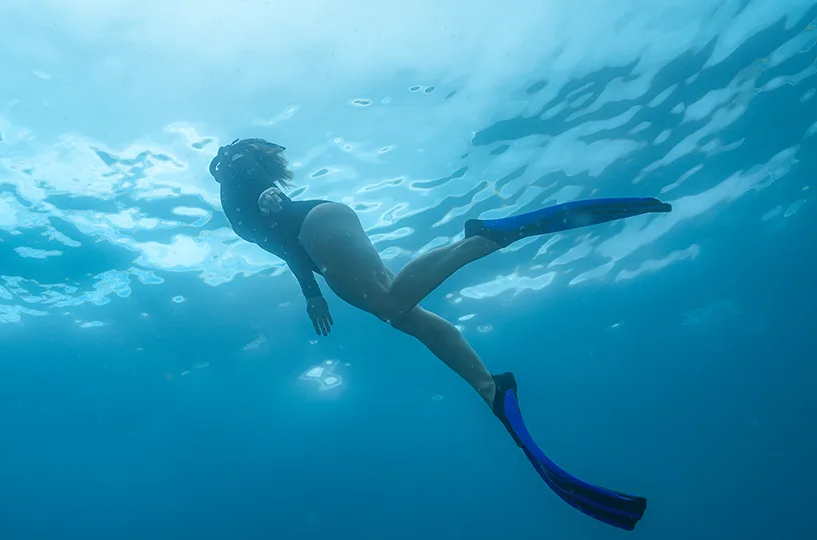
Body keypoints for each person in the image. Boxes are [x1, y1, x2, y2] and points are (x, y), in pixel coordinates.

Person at [211, 138, 670, 531]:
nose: (217, 167)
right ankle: (489, 388)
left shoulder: (234, 182)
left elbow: (249, 180)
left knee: (391, 306)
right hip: (320, 228)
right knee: (405, 314)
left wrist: (261, 188)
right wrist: (311, 292)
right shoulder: (237, 194)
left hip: (315, 227)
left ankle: (485, 239)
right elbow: (285, 247)